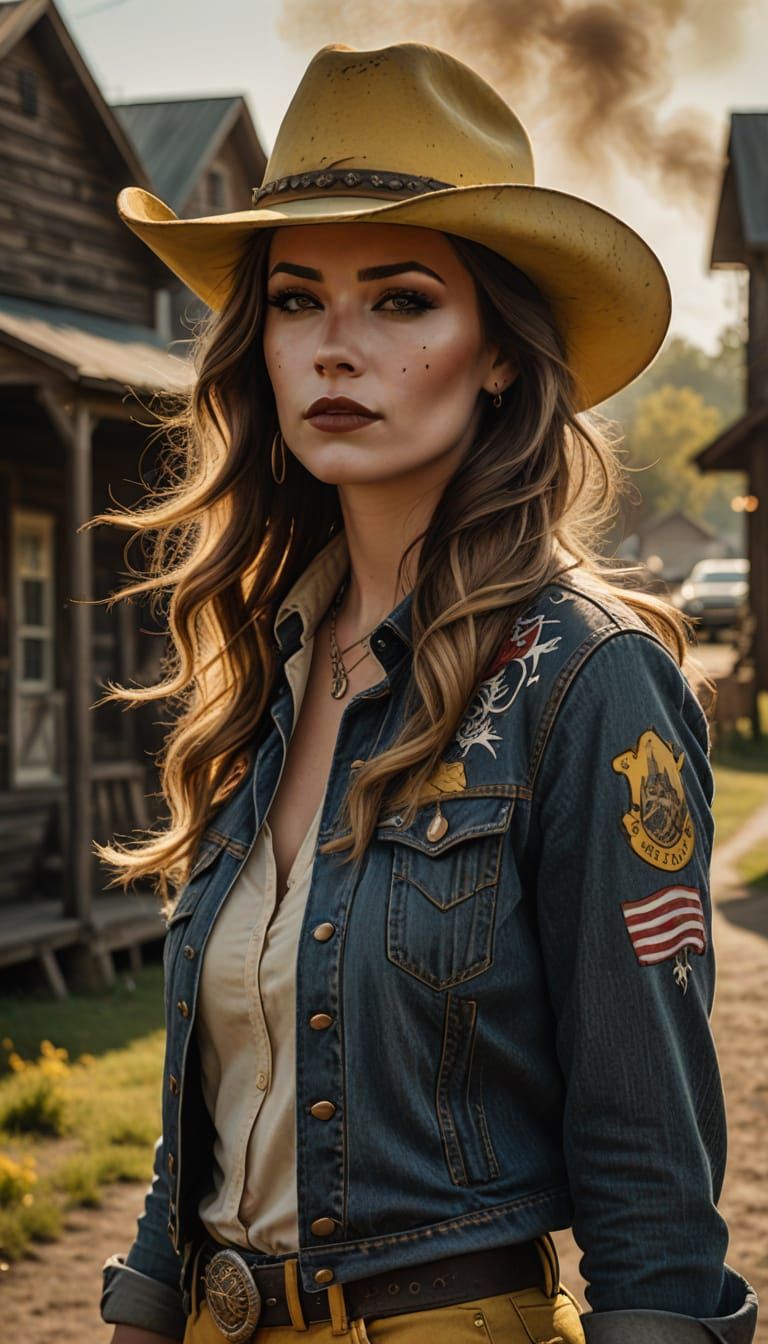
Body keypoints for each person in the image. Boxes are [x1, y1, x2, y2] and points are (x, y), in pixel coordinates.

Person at [97, 41, 757, 1344]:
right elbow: (212, 1124)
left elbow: (651, 1170)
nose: (336, 347)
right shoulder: (256, 673)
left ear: (499, 351)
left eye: (400, 300)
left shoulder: (587, 682)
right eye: (297, 300)